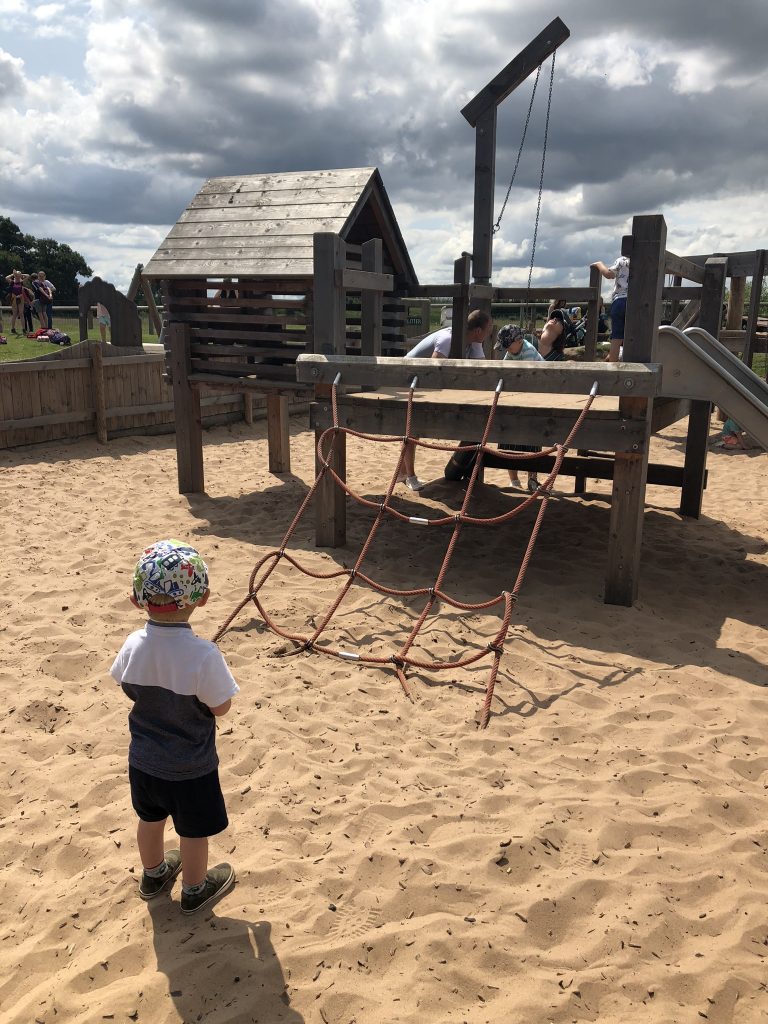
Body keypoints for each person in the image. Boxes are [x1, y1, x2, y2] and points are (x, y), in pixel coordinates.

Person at [110, 539, 240, 915]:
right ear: (203, 598)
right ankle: (195, 889)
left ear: (137, 601)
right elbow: (222, 707)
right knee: (193, 831)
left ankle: (153, 874)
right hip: (191, 768)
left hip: (144, 761)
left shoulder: (133, 644)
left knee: (149, 819)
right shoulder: (202, 655)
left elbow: (126, 684)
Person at [401, 309, 493, 489]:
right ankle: (410, 476)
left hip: (422, 384)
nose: (490, 332)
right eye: (488, 329)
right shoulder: (447, 339)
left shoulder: (474, 342)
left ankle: (403, 473)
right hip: (407, 380)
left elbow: (479, 370)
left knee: (413, 428)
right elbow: (433, 370)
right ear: (478, 331)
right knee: (412, 428)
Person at [495, 324, 544, 492]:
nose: (507, 349)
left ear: (519, 340)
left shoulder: (528, 352)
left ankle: (532, 479)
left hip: (534, 398)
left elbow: (528, 380)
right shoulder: (511, 353)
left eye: (508, 344)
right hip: (520, 398)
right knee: (509, 441)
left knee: (532, 441)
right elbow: (504, 372)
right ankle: (514, 480)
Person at [591, 255, 630, 362]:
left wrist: (599, 264)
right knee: (632, 333)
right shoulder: (643, 261)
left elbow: (609, 274)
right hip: (635, 303)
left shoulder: (622, 260)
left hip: (619, 301)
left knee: (616, 337)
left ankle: (612, 365)